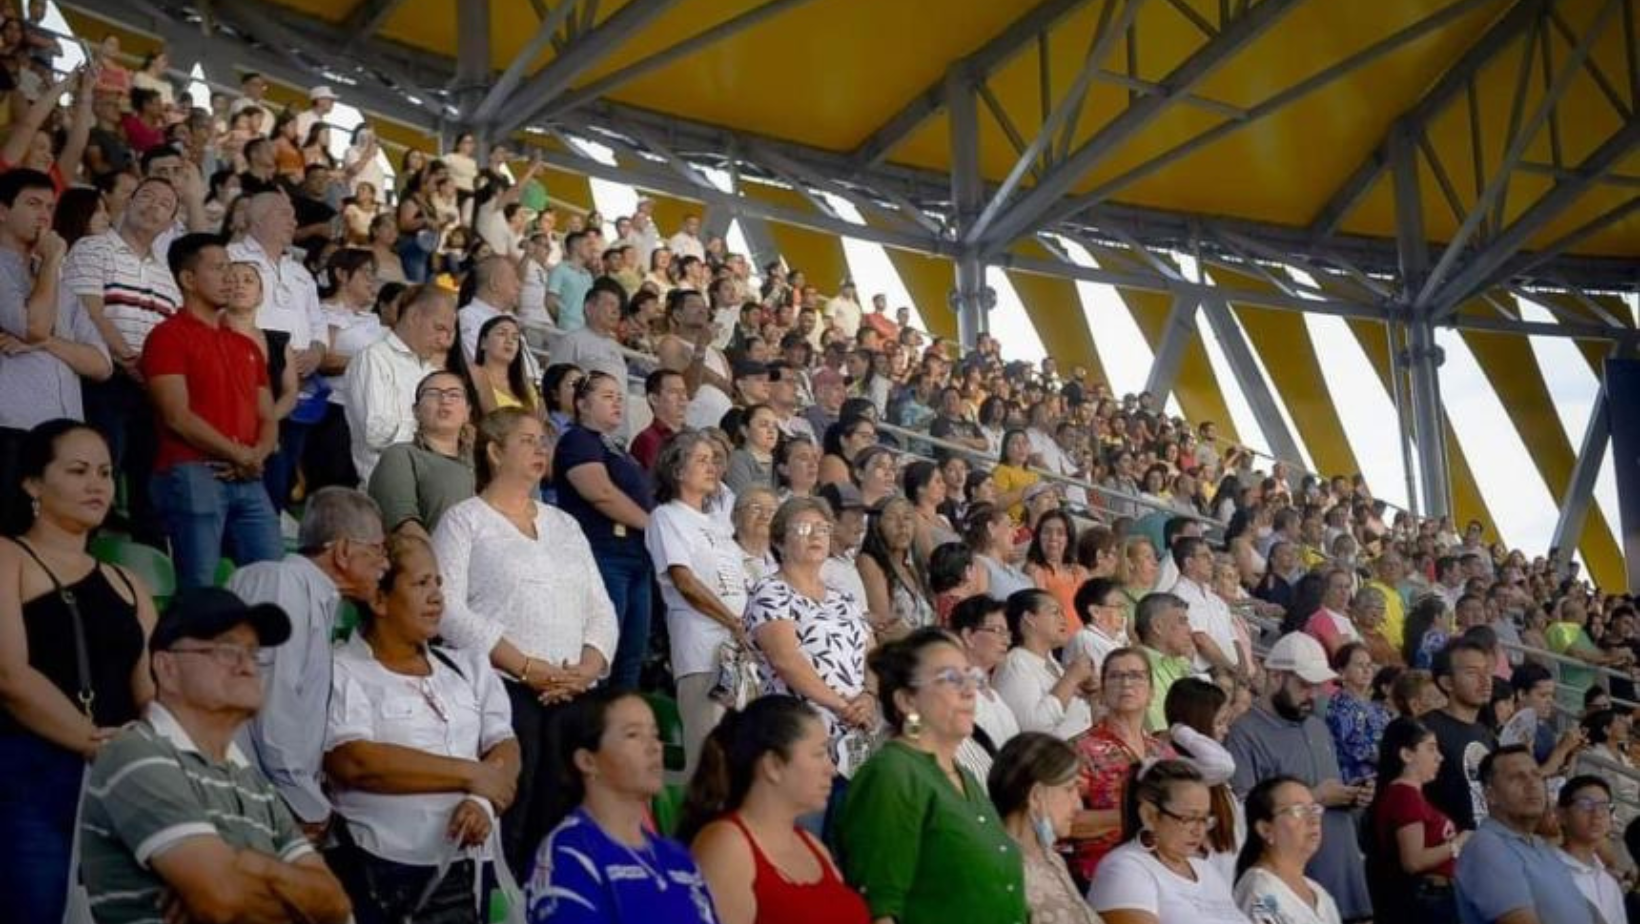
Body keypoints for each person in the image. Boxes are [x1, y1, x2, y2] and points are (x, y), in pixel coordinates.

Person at [77, 587, 353, 924]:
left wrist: (254, 866)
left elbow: (336, 906)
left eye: (254, 653)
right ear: (166, 668)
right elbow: (223, 902)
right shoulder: (135, 753)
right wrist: (286, 888)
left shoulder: (254, 782)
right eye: (226, 650)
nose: (248, 666)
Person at [432, 408, 619, 876]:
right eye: (529, 440)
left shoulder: (565, 524)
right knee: (511, 824)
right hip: (501, 692)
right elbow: (448, 610)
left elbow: (600, 608)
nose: (542, 450)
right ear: (495, 452)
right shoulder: (464, 521)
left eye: (545, 441)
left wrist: (586, 670)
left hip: (573, 694)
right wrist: (527, 667)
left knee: (566, 828)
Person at [0, 421, 158, 923]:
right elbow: (8, 673)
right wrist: (92, 741)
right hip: (32, 771)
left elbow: (153, 686)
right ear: (32, 482)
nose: (98, 484)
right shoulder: (7, 557)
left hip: (119, 776)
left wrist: (138, 743)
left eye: (107, 473)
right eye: (78, 470)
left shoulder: (128, 581)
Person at [324, 533, 521, 924]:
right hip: (385, 875)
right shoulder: (342, 669)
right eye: (420, 584)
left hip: (467, 869)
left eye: (438, 583)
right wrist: (473, 774)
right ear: (379, 600)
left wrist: (481, 801)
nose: (437, 597)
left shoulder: (468, 666)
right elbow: (354, 761)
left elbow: (504, 745)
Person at [837, 628, 1028, 924]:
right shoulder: (894, 773)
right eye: (950, 678)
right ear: (907, 701)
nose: (968, 690)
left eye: (971, 677)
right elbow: (880, 906)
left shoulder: (962, 774)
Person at [225, 487, 387, 833]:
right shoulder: (281, 583)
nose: (385, 564)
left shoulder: (315, 596)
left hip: (269, 804)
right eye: (377, 550)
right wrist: (305, 803)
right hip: (250, 805)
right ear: (343, 551)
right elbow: (271, 704)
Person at [144, 233, 283, 588]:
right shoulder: (167, 336)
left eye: (233, 270)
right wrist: (241, 454)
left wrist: (255, 456)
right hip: (192, 471)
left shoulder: (244, 344)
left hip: (249, 475)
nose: (230, 279)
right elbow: (177, 415)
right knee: (198, 584)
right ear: (188, 279)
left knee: (273, 582)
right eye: (219, 269)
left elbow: (267, 415)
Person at [523, 689, 719, 923]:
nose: (655, 747)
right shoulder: (569, 854)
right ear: (587, 761)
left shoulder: (676, 856)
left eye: (656, 734)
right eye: (633, 735)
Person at [679, 696, 871, 924]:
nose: (831, 769)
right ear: (773, 765)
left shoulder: (814, 847)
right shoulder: (727, 847)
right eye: (819, 754)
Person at [1226, 633, 1371, 922]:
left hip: (1343, 881)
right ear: (1276, 677)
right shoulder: (1244, 733)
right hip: (1286, 893)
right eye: (1304, 685)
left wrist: (1352, 795)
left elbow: (1328, 789)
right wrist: (1317, 797)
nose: (1313, 694)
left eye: (1317, 686)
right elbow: (1243, 813)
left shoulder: (1317, 726)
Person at [743, 497, 875, 777]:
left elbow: (872, 657)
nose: (816, 535)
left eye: (823, 528)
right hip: (798, 732)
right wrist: (843, 706)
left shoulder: (845, 599)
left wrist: (869, 697)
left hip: (854, 734)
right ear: (779, 542)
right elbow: (786, 660)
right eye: (803, 529)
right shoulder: (770, 591)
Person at [647, 432, 752, 772]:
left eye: (714, 460)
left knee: (739, 755)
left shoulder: (718, 526)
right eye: (701, 460)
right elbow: (685, 581)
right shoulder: (667, 516)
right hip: (701, 653)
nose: (712, 467)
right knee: (707, 757)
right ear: (677, 471)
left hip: (738, 654)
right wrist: (734, 622)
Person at [554, 370, 655, 690]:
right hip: (604, 555)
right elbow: (601, 493)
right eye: (607, 396)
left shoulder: (616, 448)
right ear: (582, 403)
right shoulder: (577, 440)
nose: (617, 403)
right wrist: (655, 528)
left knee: (631, 656)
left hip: (636, 559)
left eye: (620, 398)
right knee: (602, 651)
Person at [1086, 760, 1249, 924]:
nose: (1199, 830)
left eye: (1205, 819)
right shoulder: (1125, 868)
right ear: (1149, 816)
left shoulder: (1205, 870)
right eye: (1188, 818)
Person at [1454, 745, 1599, 924]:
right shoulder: (1487, 846)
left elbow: (1582, 909)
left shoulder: (1541, 846)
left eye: (1537, 775)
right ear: (1490, 795)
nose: (1532, 784)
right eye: (1517, 777)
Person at [1072, 645, 1176, 881]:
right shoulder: (1080, 750)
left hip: (1164, 872)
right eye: (1116, 676)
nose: (1126, 683)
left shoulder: (1164, 753)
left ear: (1151, 693)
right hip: (1105, 874)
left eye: (1136, 676)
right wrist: (1139, 816)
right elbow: (1064, 821)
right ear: (1102, 691)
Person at [344, 283, 457, 481]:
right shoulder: (374, 359)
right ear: (414, 317)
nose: (444, 340)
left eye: (449, 332)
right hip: (387, 486)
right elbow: (377, 434)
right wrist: (434, 430)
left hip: (430, 482)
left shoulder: (433, 371)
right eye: (439, 328)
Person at [989, 732, 1101, 924]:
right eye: (1069, 789)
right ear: (1036, 796)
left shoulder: (1050, 857)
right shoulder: (1000, 869)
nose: (1078, 805)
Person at [1367, 717, 1464, 924]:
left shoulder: (1412, 795)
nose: (1439, 758)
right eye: (1430, 749)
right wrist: (1458, 844)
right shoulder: (1404, 795)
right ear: (1406, 754)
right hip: (1424, 903)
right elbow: (1413, 861)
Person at [367, 370, 476, 540]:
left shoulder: (484, 461)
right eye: (433, 394)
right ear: (416, 410)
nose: (444, 400)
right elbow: (402, 524)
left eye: (454, 395)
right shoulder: (401, 455)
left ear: (467, 412)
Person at [1233, 776, 1343, 924]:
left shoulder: (1318, 892)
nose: (1314, 819)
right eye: (1298, 810)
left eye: (1314, 809)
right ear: (1265, 829)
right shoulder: (1262, 894)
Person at [993, 587, 1096, 739]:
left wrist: (1091, 691)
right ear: (1029, 618)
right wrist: (1071, 679)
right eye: (1055, 612)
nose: (1064, 619)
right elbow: (1033, 729)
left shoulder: (1051, 661)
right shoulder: (1015, 664)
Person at [1423, 637, 1497, 832]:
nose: (1485, 680)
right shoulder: (1425, 729)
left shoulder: (1486, 734)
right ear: (1447, 682)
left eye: (1487, 672)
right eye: (1472, 673)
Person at [948, 595, 1023, 780]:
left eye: (1007, 633)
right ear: (968, 636)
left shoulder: (996, 698)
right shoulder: (952, 691)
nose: (1006, 641)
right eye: (997, 631)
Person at [857, 495, 935, 638]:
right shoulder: (868, 562)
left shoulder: (914, 567)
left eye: (907, 518)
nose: (902, 525)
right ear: (877, 524)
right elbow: (885, 628)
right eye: (892, 518)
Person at [1554, 775, 1627, 924]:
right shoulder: (1546, 868)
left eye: (1604, 806)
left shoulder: (1609, 884)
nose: (1597, 814)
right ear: (1561, 815)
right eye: (1585, 805)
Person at [1324, 641, 1392, 786]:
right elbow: (1356, 749)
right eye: (1360, 665)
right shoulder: (1340, 706)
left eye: (1369, 665)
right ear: (1342, 672)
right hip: (1357, 781)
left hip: (1383, 772)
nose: (1367, 670)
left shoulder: (1376, 706)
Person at [1133, 592, 1200, 731]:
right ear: (1157, 627)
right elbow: (1159, 734)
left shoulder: (1183, 663)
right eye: (1182, 622)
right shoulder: (1138, 670)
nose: (1190, 630)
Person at [1027, 509, 1090, 634]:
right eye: (1047, 532)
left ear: (1068, 539)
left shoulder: (1080, 571)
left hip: (1086, 638)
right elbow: (1043, 610)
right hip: (1058, 641)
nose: (1053, 538)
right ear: (1038, 537)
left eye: (1060, 533)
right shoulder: (1035, 570)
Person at [966, 502, 1033, 600]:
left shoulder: (1010, 568)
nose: (1016, 534)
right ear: (991, 528)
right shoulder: (980, 565)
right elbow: (978, 609)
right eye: (1010, 526)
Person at [1068, 577, 1133, 674]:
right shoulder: (1086, 640)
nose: (1124, 613)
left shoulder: (1115, 638)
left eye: (1124, 607)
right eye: (1119, 606)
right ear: (1095, 612)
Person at [631, 368, 689, 471]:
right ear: (654, 399)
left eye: (684, 392)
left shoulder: (693, 436)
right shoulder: (646, 441)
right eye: (674, 392)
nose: (683, 398)